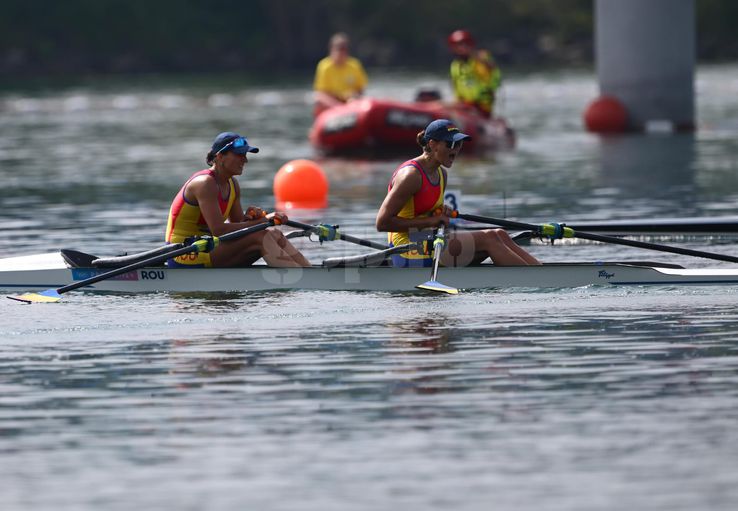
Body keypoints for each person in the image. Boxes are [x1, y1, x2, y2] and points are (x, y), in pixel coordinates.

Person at [375, 119, 540, 268]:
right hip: (406, 250)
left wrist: (437, 213)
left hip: (429, 242)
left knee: (500, 234)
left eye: (459, 144)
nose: (456, 150)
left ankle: (540, 272)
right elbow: (383, 223)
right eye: (451, 144)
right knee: (490, 238)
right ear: (432, 144)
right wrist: (431, 220)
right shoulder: (411, 176)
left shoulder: (441, 174)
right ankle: (539, 282)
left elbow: (421, 212)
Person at [165, 132, 310, 268]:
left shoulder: (232, 184)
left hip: (208, 246)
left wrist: (251, 218)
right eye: (239, 154)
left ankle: (308, 272)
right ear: (220, 156)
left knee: (275, 234)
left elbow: (237, 227)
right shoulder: (204, 184)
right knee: (262, 238)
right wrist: (265, 221)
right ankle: (300, 280)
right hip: (183, 253)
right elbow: (219, 230)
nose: (245, 160)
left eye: (245, 155)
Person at [447, 29, 502, 118]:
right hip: (463, 106)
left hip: (482, 107)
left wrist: (484, 62)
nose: (462, 48)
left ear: (470, 45)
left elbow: (494, 77)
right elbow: (455, 86)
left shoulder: (480, 60)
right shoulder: (455, 65)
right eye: (458, 45)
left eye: (465, 44)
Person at [312, 32, 368, 117]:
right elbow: (321, 94)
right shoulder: (324, 66)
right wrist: (338, 106)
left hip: (350, 102)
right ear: (332, 49)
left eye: (344, 49)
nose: (342, 52)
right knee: (319, 103)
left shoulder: (354, 65)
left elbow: (360, 89)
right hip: (332, 102)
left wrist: (353, 97)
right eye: (339, 48)